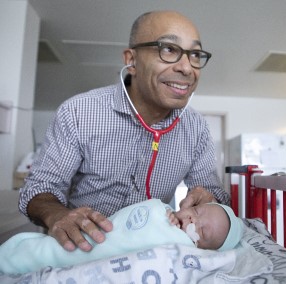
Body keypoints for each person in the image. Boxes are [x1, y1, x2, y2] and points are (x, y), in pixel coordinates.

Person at [18, 10, 230, 253]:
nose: (187, 67)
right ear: (132, 61)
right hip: (84, 252)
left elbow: (213, 194)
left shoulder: (196, 128)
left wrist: (209, 198)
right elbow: (39, 188)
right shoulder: (78, 112)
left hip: (149, 257)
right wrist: (57, 215)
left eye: (194, 54)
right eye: (169, 49)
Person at [1, 199, 243, 274]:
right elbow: (144, 216)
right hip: (83, 233)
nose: (192, 220)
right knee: (45, 252)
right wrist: (162, 217)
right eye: (196, 212)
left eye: (202, 231)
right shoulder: (79, 111)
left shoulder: (185, 252)